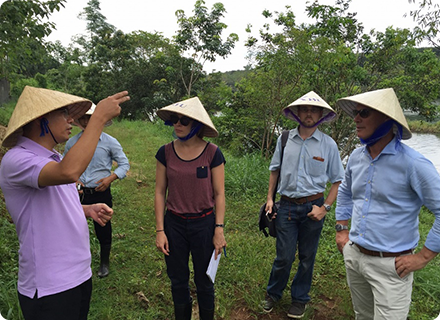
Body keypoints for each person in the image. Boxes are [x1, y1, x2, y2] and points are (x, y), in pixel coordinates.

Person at [0, 86, 129, 320]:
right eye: (63, 114)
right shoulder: (17, 159)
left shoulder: (54, 158)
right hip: (49, 287)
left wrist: (87, 209)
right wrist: (97, 118)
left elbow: (56, 202)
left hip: (78, 275)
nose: (71, 119)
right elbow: (69, 172)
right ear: (41, 120)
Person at [335, 88, 440, 319]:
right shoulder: (355, 157)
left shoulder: (414, 164)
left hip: (391, 265)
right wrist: (341, 229)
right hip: (355, 256)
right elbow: (344, 191)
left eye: (364, 113)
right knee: (361, 315)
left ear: (386, 119)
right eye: (356, 113)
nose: (356, 119)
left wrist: (422, 257)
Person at [263, 91, 344, 318]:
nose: (309, 113)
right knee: (284, 256)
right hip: (286, 206)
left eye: (313, 110)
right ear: (297, 113)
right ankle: (273, 293)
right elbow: (274, 169)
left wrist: (325, 208)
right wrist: (270, 198)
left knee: (307, 257)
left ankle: (299, 299)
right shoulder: (285, 139)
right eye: (305, 109)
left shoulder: (328, 144)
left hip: (313, 207)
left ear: (320, 115)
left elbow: (338, 181)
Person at [154, 97, 226, 320]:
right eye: (175, 119)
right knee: (178, 279)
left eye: (184, 120)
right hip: (173, 223)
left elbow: (219, 194)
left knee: (205, 280)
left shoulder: (212, 153)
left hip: (203, 223)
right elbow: (159, 191)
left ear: (196, 125)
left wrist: (219, 228)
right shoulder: (165, 152)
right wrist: (160, 230)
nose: (177, 124)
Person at [64, 104, 130, 278]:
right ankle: (76, 260)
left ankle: (104, 262)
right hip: (79, 193)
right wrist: (74, 180)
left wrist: (110, 179)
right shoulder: (72, 142)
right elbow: (64, 166)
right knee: (75, 226)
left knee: (103, 226)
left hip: (100, 192)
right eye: (84, 118)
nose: (87, 121)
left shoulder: (109, 142)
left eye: (90, 117)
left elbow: (124, 164)